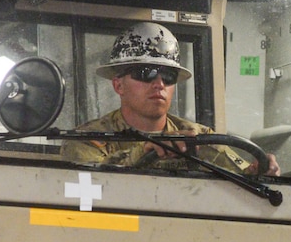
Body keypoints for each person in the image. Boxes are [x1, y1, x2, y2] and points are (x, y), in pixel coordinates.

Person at [62, 23, 276, 175]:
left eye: (168, 76)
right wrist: (146, 150)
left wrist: (259, 171)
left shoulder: (199, 138)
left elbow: (243, 177)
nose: (159, 84)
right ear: (118, 85)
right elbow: (87, 184)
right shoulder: (86, 139)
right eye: (145, 73)